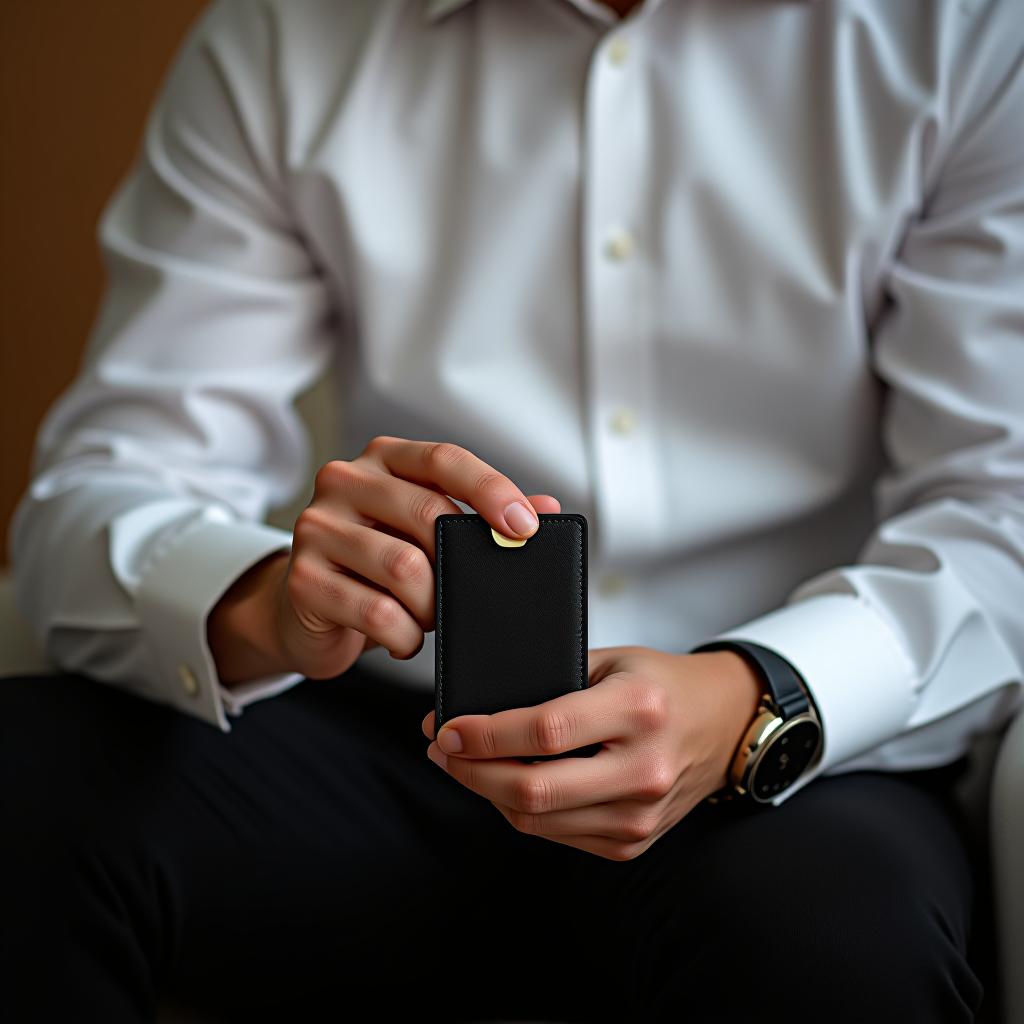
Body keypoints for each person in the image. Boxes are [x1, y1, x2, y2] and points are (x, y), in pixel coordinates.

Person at [3, 0, 1022, 1019]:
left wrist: (755, 699)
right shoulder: (287, 30)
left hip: (786, 767)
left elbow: (998, 514)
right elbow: (103, 482)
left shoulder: (961, 35)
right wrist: (266, 601)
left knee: (837, 944)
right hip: (389, 736)